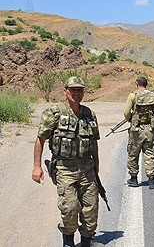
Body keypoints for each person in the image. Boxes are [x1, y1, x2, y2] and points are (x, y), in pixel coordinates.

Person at [31, 76, 100, 247]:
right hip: (64, 169)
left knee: (90, 208)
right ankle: (68, 241)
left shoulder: (89, 114)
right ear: (65, 91)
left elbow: (93, 141)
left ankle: (86, 241)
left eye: (80, 90)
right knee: (69, 207)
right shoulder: (54, 113)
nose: (77, 93)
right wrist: (37, 166)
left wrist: (96, 163)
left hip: (87, 168)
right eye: (73, 89)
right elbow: (40, 139)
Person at [123, 76, 154, 189]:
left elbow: (126, 112)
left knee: (133, 153)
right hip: (150, 130)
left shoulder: (133, 96)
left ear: (137, 83)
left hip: (136, 130)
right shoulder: (153, 96)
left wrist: (131, 119)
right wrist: (153, 113)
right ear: (146, 84)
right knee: (150, 154)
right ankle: (151, 180)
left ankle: (133, 179)